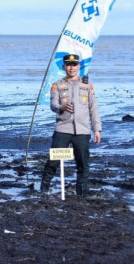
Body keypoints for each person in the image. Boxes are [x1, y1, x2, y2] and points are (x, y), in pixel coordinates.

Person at [40, 53, 102, 197]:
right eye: (68, 65)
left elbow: (94, 109)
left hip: (82, 131)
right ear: (64, 67)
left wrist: (97, 129)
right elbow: (53, 105)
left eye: (74, 65)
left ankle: (81, 194)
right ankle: (44, 189)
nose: (71, 68)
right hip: (63, 129)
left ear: (79, 66)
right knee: (53, 160)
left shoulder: (87, 86)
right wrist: (61, 107)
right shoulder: (57, 85)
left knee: (83, 164)